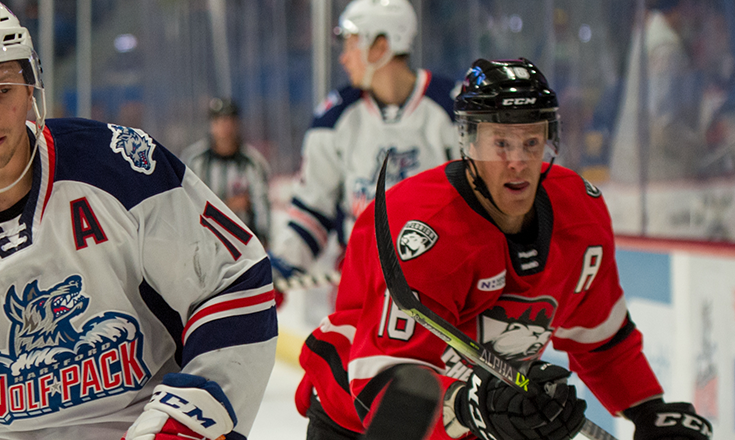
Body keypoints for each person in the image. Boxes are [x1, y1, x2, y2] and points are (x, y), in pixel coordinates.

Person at [0, 1, 277, 439]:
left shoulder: (122, 170)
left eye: (2, 90)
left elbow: (233, 280)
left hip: (145, 423)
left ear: (31, 89)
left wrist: (192, 413)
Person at [295, 58, 714, 440]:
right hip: (364, 420)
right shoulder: (423, 229)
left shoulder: (579, 216)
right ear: (469, 143)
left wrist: (648, 411)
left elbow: (601, 339)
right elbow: (385, 385)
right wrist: (470, 408)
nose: (518, 161)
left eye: (532, 142)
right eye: (502, 144)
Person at [267, 0, 458, 292]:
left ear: (380, 46)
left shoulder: (453, 109)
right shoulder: (335, 117)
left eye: (351, 44)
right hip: (362, 285)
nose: (344, 58)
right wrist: (281, 269)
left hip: (442, 280)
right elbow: (313, 211)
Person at [609, 0, 706, 184]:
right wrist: (699, 146)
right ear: (684, 6)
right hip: (653, 173)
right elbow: (663, 123)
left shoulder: (649, 32)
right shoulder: (665, 46)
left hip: (632, 170)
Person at [181, 98, 271, 245]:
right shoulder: (195, 161)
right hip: (204, 242)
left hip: (242, 245)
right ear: (211, 125)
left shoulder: (252, 162)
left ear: (237, 124)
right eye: (219, 121)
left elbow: (262, 205)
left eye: (229, 121)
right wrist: (228, 205)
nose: (225, 127)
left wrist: (264, 241)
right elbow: (188, 204)